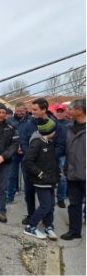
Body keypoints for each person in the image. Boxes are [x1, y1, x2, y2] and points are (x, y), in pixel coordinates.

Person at [21, 117, 60, 240]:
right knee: (45, 205)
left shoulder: (49, 142)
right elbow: (27, 160)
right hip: (41, 181)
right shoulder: (37, 143)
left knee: (51, 205)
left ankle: (48, 226)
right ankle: (31, 227)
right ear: (49, 131)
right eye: (54, 129)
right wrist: (40, 173)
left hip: (50, 180)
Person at [61, 98, 85, 240]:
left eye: (70, 109)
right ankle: (74, 231)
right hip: (72, 173)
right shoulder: (69, 128)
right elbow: (67, 150)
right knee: (74, 204)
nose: (68, 111)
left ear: (79, 110)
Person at [8, 102, 30, 203]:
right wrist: (14, 147)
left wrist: (26, 148)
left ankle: (28, 197)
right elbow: (7, 136)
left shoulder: (31, 121)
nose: (19, 113)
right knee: (12, 176)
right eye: (17, 111)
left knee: (27, 177)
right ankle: (10, 196)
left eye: (21, 111)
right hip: (13, 152)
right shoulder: (10, 121)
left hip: (27, 153)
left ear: (25, 110)